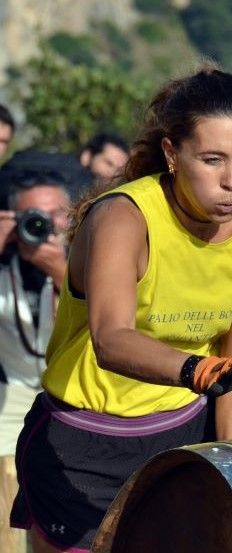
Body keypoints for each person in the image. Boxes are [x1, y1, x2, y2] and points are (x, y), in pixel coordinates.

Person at [10, 67, 232, 552]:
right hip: (81, 442)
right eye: (213, 159)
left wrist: (230, 463)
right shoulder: (123, 217)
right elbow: (110, 339)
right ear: (172, 155)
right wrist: (196, 370)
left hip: (181, 435)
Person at [0, 153, 83, 455]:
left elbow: (103, 325)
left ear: (72, 216)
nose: (44, 223)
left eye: (55, 213)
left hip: (73, 397)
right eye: (32, 215)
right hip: (9, 398)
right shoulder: (5, 263)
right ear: (12, 219)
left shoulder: (88, 260)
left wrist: (61, 272)